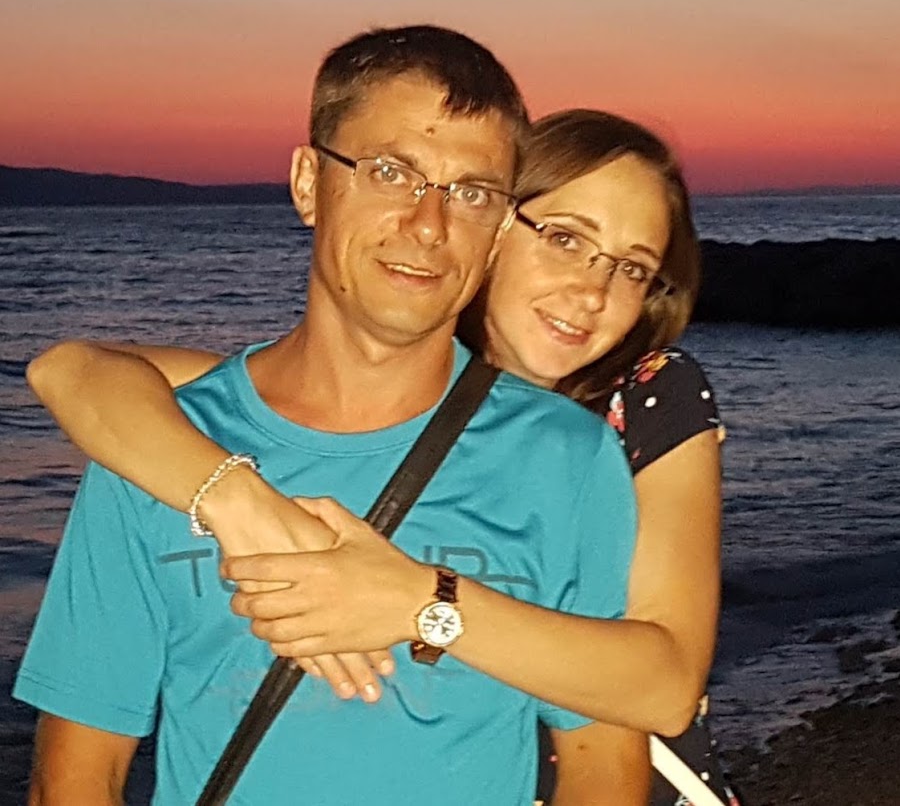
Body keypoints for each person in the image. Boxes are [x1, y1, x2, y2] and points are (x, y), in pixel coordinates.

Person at [25, 107, 735, 804]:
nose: (593, 290)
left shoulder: (640, 401)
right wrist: (235, 498)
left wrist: (419, 602)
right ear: (490, 225)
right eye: (564, 239)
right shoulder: (389, 384)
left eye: (632, 268)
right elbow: (78, 372)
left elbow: (666, 687)